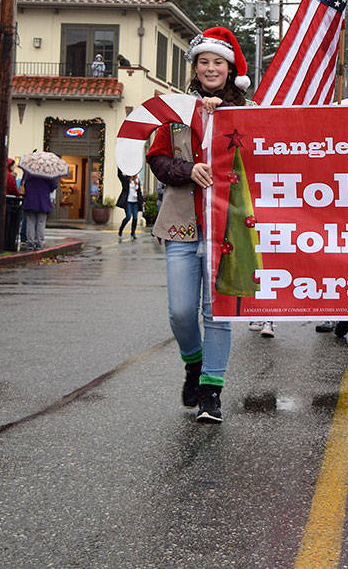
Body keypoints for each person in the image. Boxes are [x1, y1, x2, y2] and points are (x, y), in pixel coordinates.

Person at [147, 26, 252, 423]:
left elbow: (263, 164)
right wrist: (189, 169)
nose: (211, 68)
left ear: (230, 70)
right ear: (195, 68)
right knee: (180, 310)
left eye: (218, 62)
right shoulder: (173, 112)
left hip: (228, 224)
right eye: (204, 61)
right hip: (181, 222)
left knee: (218, 311)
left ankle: (212, 391)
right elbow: (156, 158)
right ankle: (193, 363)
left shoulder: (247, 114)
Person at [20, 167, 58, 251]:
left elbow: (23, 184)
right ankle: (39, 243)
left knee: (30, 222)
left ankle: (30, 242)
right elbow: (53, 186)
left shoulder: (28, 172)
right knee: (41, 222)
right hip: (43, 201)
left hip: (30, 200)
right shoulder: (47, 173)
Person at [116, 170, 140, 240]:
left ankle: (133, 233)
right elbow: (119, 175)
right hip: (128, 202)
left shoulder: (137, 181)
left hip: (135, 202)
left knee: (135, 218)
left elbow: (139, 192)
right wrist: (120, 167)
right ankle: (121, 229)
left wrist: (142, 200)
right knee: (128, 217)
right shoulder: (126, 180)